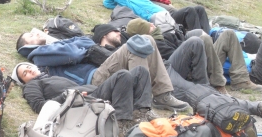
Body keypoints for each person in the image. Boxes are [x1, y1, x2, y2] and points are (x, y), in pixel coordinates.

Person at [16, 25, 190, 112]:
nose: (35, 33)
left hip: (99, 70)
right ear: (26, 47)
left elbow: (85, 41)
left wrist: (77, 46)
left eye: (34, 32)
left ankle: (162, 94)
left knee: (147, 40)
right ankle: (140, 103)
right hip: (93, 80)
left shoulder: (53, 44)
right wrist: (78, 47)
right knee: (135, 46)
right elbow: (73, 54)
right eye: (30, 37)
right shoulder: (39, 54)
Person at [12, 63, 154, 137]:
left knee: (140, 71)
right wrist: (66, 96)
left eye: (29, 67)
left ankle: (141, 113)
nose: (29, 71)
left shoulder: (50, 77)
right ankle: (120, 125)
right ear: (22, 81)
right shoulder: (32, 86)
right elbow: (40, 106)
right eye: (25, 73)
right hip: (82, 101)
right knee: (122, 75)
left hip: (93, 92)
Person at [125, 17, 262, 92]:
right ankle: (217, 85)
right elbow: (179, 57)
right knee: (200, 39)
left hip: (202, 64)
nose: (152, 24)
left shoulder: (165, 36)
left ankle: (240, 80)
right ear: (144, 31)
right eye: (148, 25)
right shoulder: (151, 44)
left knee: (229, 34)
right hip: (185, 73)